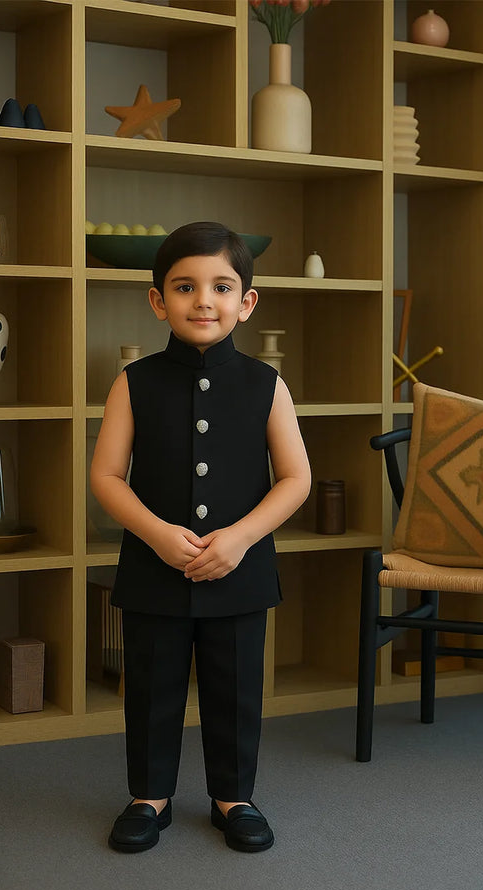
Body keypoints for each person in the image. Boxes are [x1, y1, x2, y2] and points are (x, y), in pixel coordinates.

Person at [90, 221, 311, 855]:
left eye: (221, 287)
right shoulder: (133, 381)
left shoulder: (267, 385)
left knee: (234, 690)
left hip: (239, 569)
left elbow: (296, 479)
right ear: (158, 300)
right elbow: (106, 476)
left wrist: (239, 539)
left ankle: (234, 796)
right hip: (154, 567)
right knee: (152, 687)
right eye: (185, 287)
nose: (203, 300)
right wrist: (158, 535)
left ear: (247, 302)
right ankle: (149, 797)